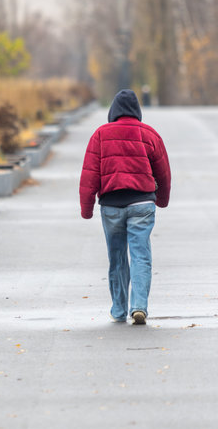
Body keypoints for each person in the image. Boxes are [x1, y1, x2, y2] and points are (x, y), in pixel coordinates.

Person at [79, 89, 171, 325]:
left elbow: (90, 175)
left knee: (117, 257)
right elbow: (164, 173)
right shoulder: (149, 134)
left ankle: (119, 309)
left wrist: (86, 208)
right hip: (142, 203)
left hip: (111, 206)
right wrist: (161, 199)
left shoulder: (100, 134)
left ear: (113, 111)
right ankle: (139, 306)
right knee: (141, 255)